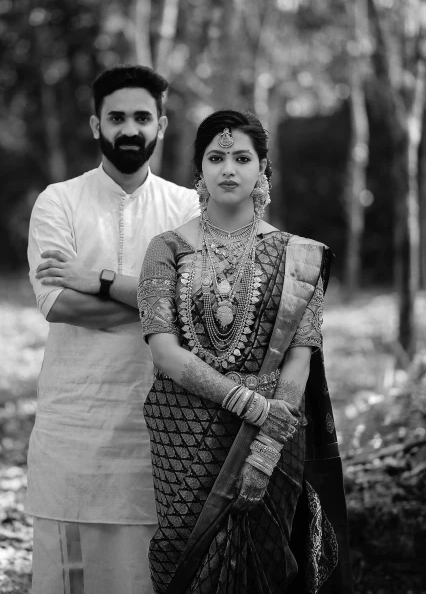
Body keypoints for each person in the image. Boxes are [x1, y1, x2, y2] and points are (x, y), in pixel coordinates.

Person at [137, 109, 353, 594]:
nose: (228, 169)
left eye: (241, 157)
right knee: (182, 557)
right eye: (216, 157)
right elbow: (165, 353)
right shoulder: (165, 249)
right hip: (184, 439)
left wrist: (265, 449)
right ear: (200, 171)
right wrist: (254, 406)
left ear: (262, 170)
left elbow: (300, 356)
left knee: (268, 568)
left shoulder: (299, 255)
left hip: (267, 444)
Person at [26, 64, 199, 594]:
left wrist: (98, 280)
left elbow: (199, 306)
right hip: (75, 429)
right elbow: (59, 305)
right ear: (96, 124)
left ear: (162, 126)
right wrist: (161, 300)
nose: (130, 129)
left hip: (166, 435)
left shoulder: (188, 208)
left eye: (142, 118)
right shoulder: (59, 201)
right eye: (117, 117)